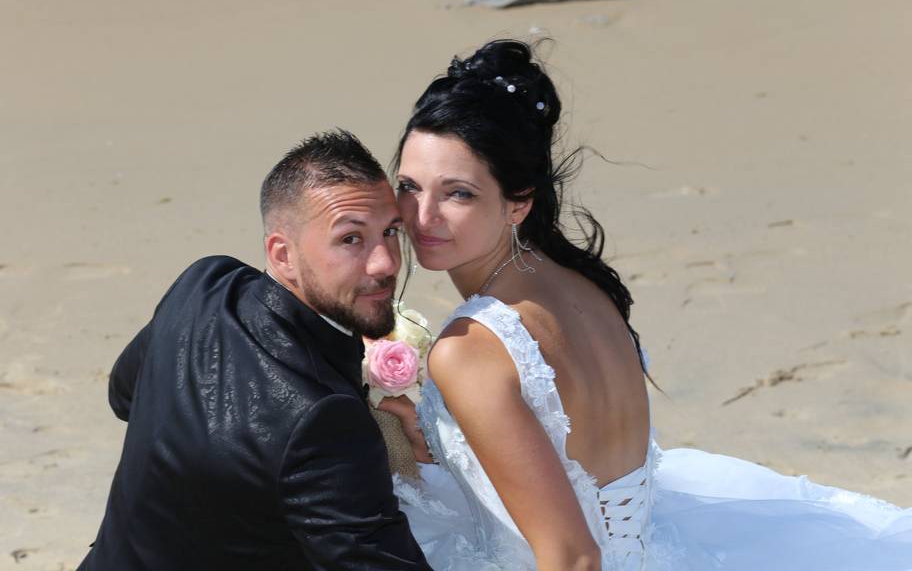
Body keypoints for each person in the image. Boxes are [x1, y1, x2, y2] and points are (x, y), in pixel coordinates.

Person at [384, 40, 912, 570]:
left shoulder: (470, 349)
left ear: (519, 201)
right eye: (409, 186)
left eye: (458, 193)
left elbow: (574, 558)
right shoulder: (581, 285)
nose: (421, 215)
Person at [79, 130, 431, 570]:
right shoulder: (324, 417)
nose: (387, 262)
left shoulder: (203, 284)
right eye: (350, 239)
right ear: (282, 255)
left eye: (390, 231)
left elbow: (124, 394)